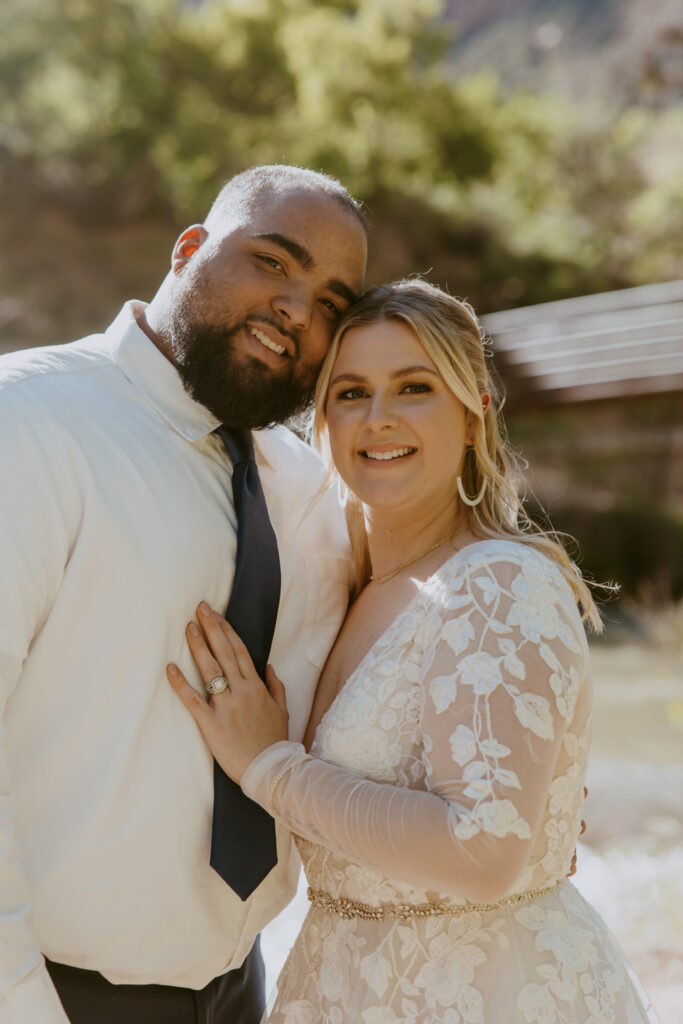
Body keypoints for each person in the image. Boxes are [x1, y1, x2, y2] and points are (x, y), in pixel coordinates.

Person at [169, 279, 659, 1023]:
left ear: (473, 416)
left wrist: (268, 767)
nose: (379, 418)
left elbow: (483, 854)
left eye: (414, 387)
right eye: (350, 392)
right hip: (339, 979)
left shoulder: (498, 583)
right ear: (322, 420)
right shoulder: (345, 584)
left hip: (483, 993)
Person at [0, 165, 368, 1023]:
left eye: (331, 305)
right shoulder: (29, 424)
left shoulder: (308, 490)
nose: (295, 310)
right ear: (188, 249)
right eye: (273, 262)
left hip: (240, 990)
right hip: (50, 994)